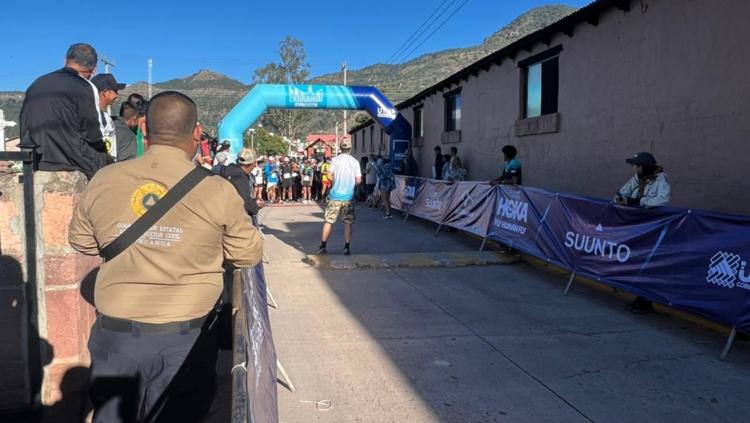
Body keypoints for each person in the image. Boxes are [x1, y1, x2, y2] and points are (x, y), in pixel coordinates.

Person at [68, 91, 262, 422]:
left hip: (116, 333)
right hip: (185, 339)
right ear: (197, 133)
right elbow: (248, 253)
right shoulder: (217, 190)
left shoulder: (105, 180)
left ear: (144, 128)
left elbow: (82, 242)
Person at [19, 43, 110, 179]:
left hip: (35, 158)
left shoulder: (37, 83)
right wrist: (103, 153)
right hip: (69, 159)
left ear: (65, 61)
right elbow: (92, 134)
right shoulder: (84, 86)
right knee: (111, 165)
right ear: (94, 69)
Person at [614, 152, 671, 314]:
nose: (633, 168)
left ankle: (644, 300)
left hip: (652, 228)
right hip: (635, 227)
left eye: (635, 165)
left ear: (642, 166)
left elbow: (662, 200)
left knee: (646, 263)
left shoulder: (661, 180)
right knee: (633, 260)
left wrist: (638, 202)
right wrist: (621, 199)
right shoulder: (637, 179)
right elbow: (621, 193)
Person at [317, 141, 362, 256]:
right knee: (348, 222)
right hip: (348, 197)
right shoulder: (355, 162)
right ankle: (346, 248)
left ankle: (323, 246)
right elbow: (359, 180)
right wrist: (351, 185)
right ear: (350, 149)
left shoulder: (335, 160)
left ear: (340, 148)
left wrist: (334, 181)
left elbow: (329, 175)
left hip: (335, 196)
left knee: (328, 221)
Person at [220, 148, 264, 217]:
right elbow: (247, 204)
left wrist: (253, 201)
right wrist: (256, 207)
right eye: (255, 163)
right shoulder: (240, 178)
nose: (255, 165)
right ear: (252, 163)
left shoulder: (227, 171)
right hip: (234, 217)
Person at [92, 74, 126, 159]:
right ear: (105, 93)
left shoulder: (104, 116)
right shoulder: (95, 116)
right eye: (115, 91)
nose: (117, 95)